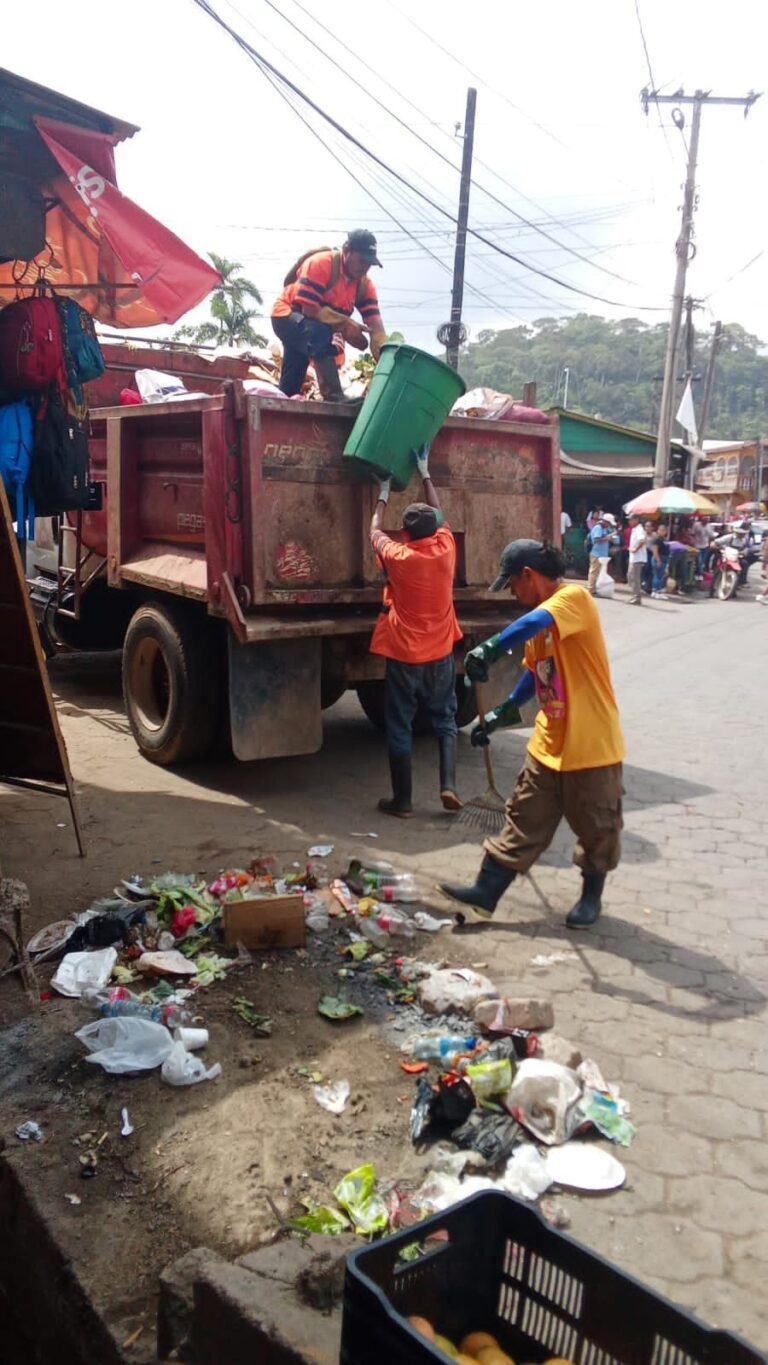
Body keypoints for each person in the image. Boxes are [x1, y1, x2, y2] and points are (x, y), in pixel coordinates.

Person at [439, 540, 624, 929]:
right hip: (547, 744)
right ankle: (486, 893)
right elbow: (536, 672)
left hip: (591, 745)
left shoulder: (573, 599)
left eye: (513, 585)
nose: (513, 593)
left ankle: (592, 897)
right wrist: (501, 712)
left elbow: (531, 625)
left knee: (597, 826)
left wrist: (489, 648)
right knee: (522, 817)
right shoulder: (543, 620)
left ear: (528, 576)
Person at [369, 444, 462, 818]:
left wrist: (382, 494)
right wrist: (425, 471)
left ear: (405, 534)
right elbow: (438, 512)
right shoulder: (446, 547)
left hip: (405, 655)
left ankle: (403, 801)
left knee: (400, 723)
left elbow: (373, 530)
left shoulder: (398, 555)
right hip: (440, 653)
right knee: (446, 721)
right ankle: (448, 786)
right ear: (435, 528)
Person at [271, 231, 387, 401]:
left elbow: (375, 326)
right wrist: (345, 325)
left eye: (369, 264)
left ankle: (280, 408)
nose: (364, 267)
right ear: (346, 251)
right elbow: (309, 310)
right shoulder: (320, 264)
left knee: (294, 374)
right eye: (361, 260)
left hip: (308, 325)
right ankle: (334, 396)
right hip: (287, 315)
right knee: (319, 333)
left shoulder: (365, 286)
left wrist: (382, 347)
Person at [587, 512, 618, 594]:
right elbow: (597, 540)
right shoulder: (598, 528)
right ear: (605, 522)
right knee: (594, 571)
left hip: (602, 554)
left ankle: (595, 588)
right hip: (596, 553)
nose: (610, 525)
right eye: (609, 523)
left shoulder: (603, 528)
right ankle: (591, 589)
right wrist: (608, 538)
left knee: (598, 572)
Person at [627, 514, 647, 604]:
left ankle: (637, 597)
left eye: (631, 520)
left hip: (637, 558)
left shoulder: (639, 529)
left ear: (636, 520)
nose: (629, 521)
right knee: (630, 577)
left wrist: (635, 549)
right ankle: (635, 595)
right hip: (634, 558)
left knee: (635, 578)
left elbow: (642, 541)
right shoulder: (635, 529)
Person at [648, 524, 669, 599]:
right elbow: (655, 550)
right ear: (658, 531)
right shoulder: (657, 539)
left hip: (664, 558)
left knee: (660, 575)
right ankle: (656, 591)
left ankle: (657, 590)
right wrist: (658, 560)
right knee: (658, 575)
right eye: (661, 530)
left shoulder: (665, 539)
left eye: (664, 530)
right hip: (659, 558)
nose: (662, 532)